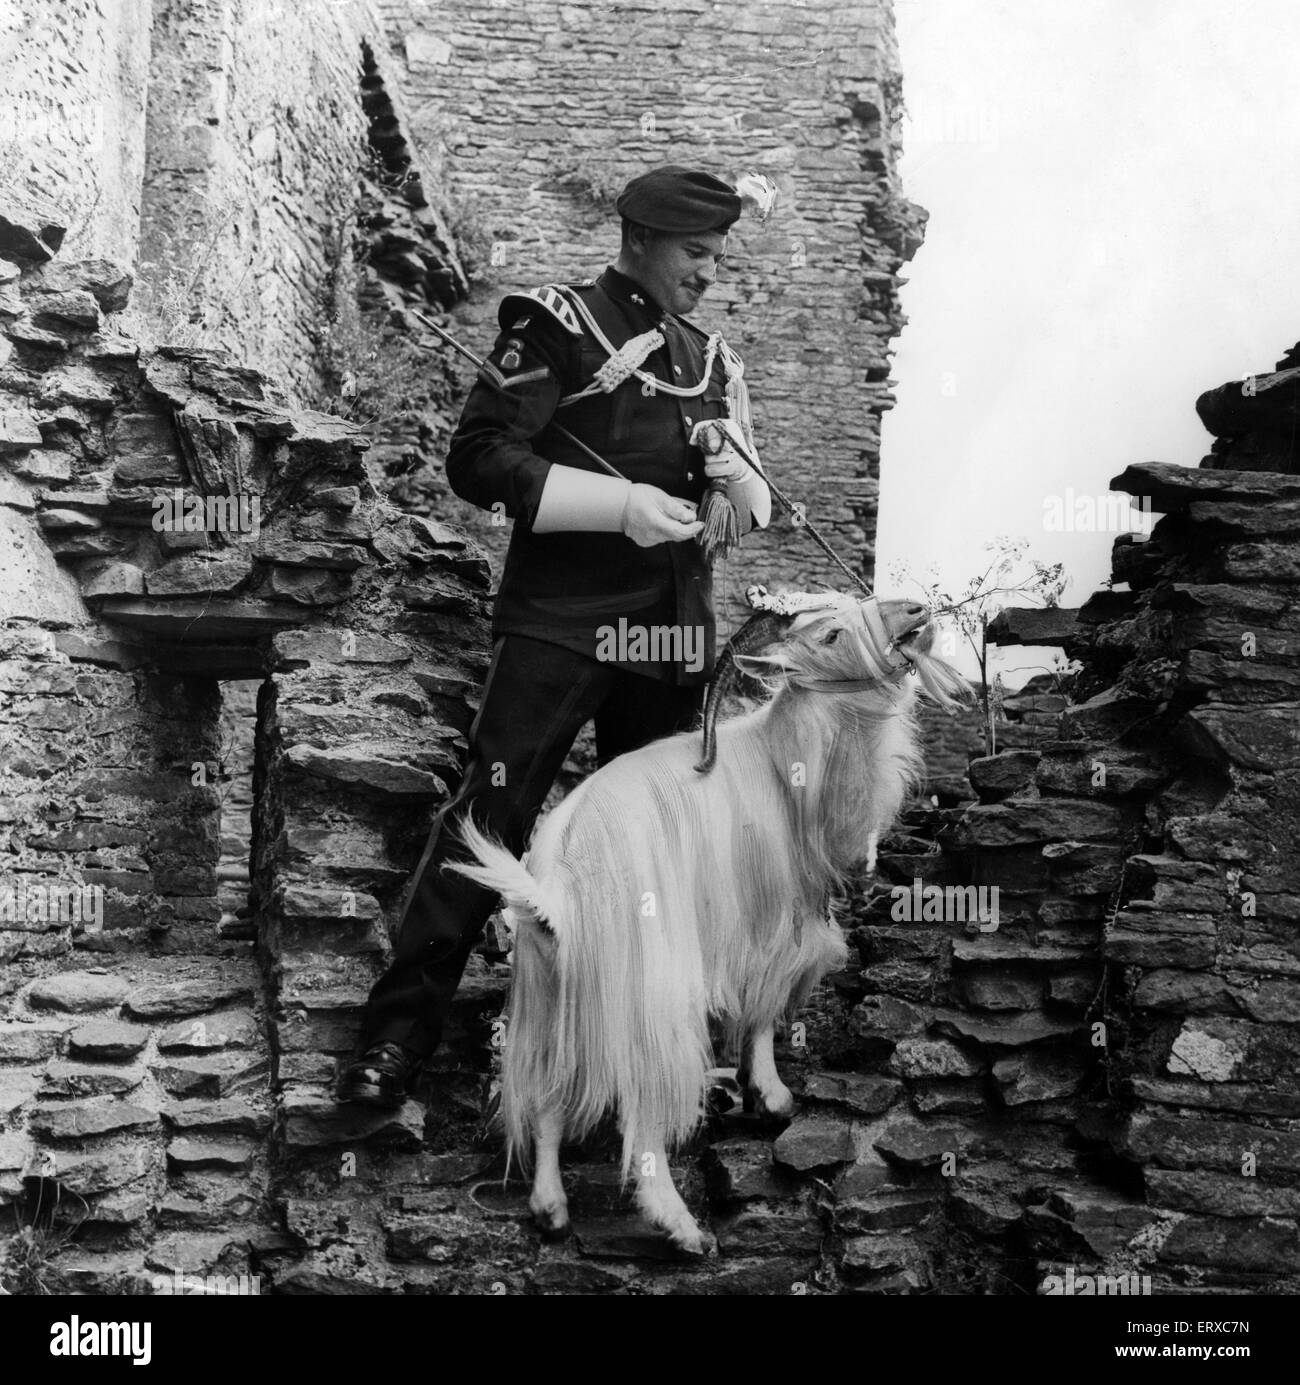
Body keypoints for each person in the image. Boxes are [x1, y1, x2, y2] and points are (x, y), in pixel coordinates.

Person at [336, 165, 772, 1107]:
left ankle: (648, 1053)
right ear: (640, 240)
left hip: (672, 635)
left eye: (717, 255)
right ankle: (396, 1039)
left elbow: (752, 505)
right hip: (562, 623)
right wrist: (620, 505)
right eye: (695, 253)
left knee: (660, 843)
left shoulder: (714, 361)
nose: (709, 273)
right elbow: (480, 456)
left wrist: (730, 482)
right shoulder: (556, 325)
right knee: (490, 816)